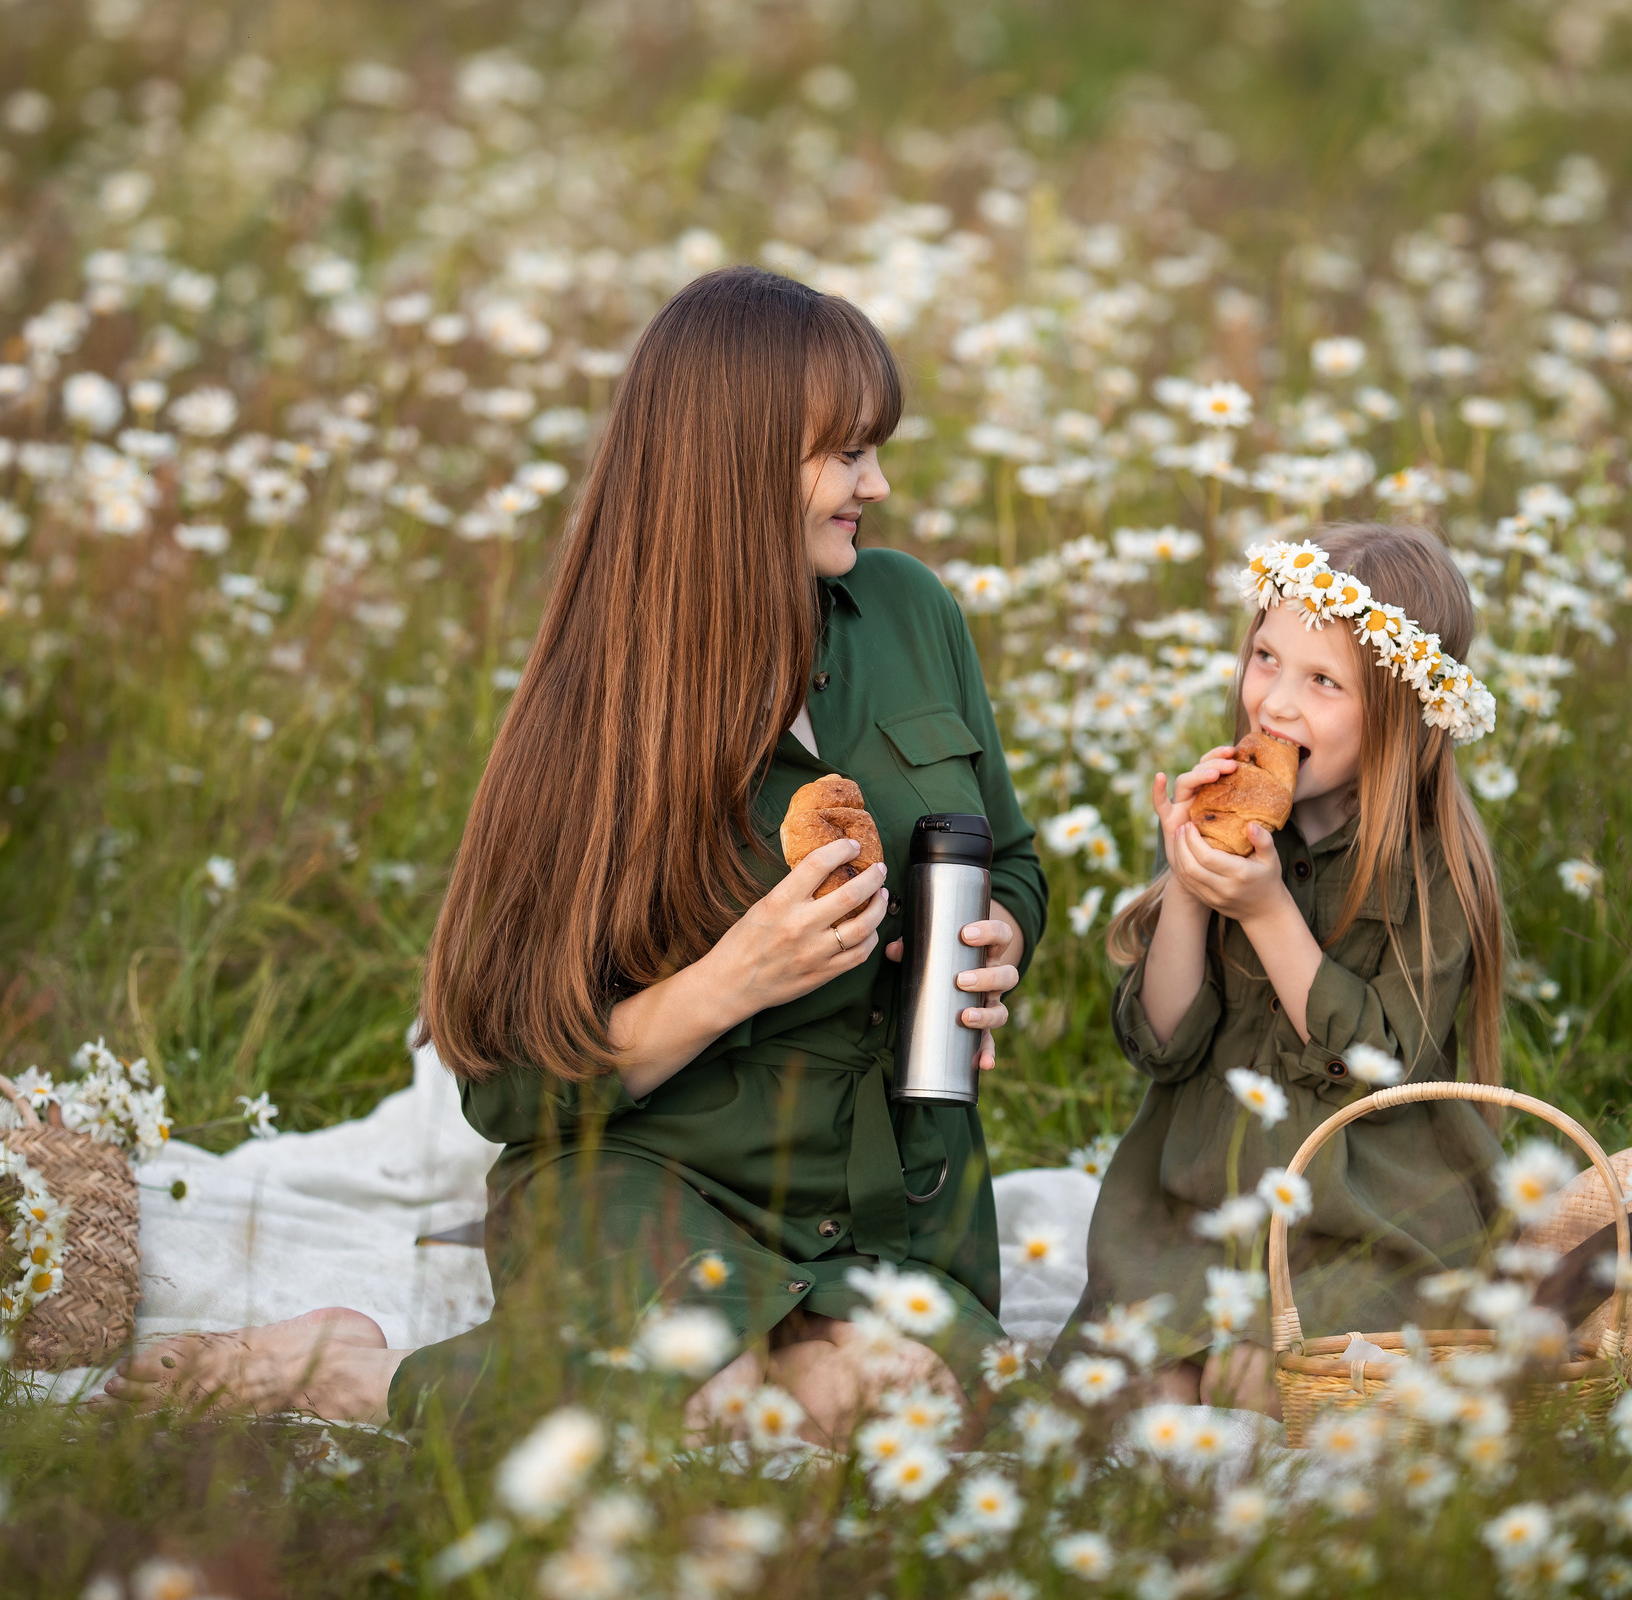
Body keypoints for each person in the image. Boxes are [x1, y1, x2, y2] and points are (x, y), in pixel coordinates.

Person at [102, 266, 1045, 1442]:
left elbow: (1012, 856)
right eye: (845, 454)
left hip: (884, 1197)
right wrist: (733, 979)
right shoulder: (595, 715)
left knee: (897, 1407)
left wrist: (1000, 933)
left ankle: (744, 1351)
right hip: (649, 1178)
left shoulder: (912, 612)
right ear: (740, 460)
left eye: (875, 450)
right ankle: (350, 1371)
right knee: (699, 1402)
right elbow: (504, 1081)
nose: (878, 485)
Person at [1055, 522, 1510, 1414]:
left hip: (1358, 1225)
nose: (1277, 705)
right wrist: (1189, 885)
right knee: (1132, 1390)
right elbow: (1162, 1042)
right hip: (1202, 1210)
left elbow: (1377, 1065)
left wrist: (1267, 914)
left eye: (1323, 682)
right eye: (1266, 658)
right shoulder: (1233, 818)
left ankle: (1272, 1363)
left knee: (1269, 1383)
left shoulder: (1435, 872)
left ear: (1402, 712)